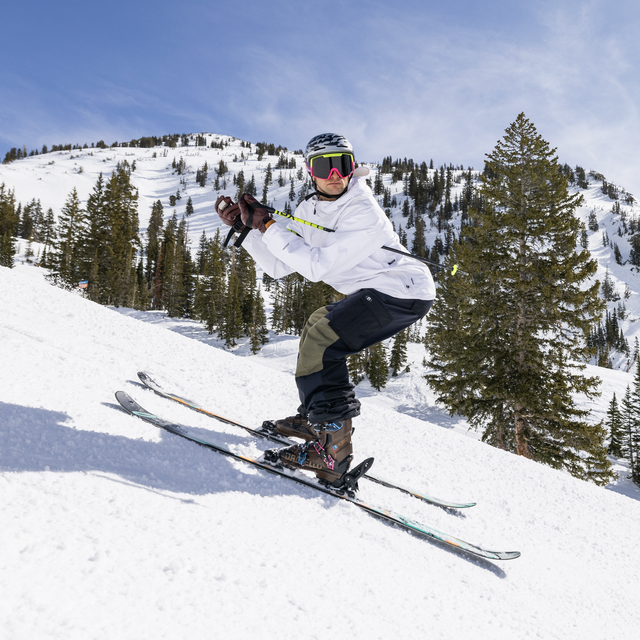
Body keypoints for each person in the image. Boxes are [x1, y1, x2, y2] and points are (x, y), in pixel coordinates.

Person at [214, 133, 435, 489]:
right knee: (317, 324)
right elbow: (279, 265)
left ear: (352, 167)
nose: (334, 174)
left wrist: (267, 225)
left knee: (323, 340)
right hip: (375, 290)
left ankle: (332, 455)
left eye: (342, 164)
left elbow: (316, 267)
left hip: (403, 291)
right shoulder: (309, 208)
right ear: (310, 171)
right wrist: (248, 229)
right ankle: (315, 421)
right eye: (324, 166)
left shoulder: (364, 211)